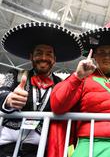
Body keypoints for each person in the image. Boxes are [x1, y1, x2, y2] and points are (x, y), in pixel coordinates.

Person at [50, 16, 110, 157]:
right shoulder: (82, 78)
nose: (106, 57)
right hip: (88, 145)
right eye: (102, 52)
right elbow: (58, 106)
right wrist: (77, 77)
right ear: (94, 56)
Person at [0, 22, 81, 157]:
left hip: (40, 149)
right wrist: (9, 99)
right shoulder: (15, 74)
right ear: (31, 56)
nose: (44, 57)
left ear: (54, 59)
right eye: (39, 53)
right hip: (6, 147)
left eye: (49, 54)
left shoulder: (61, 84)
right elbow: (2, 92)